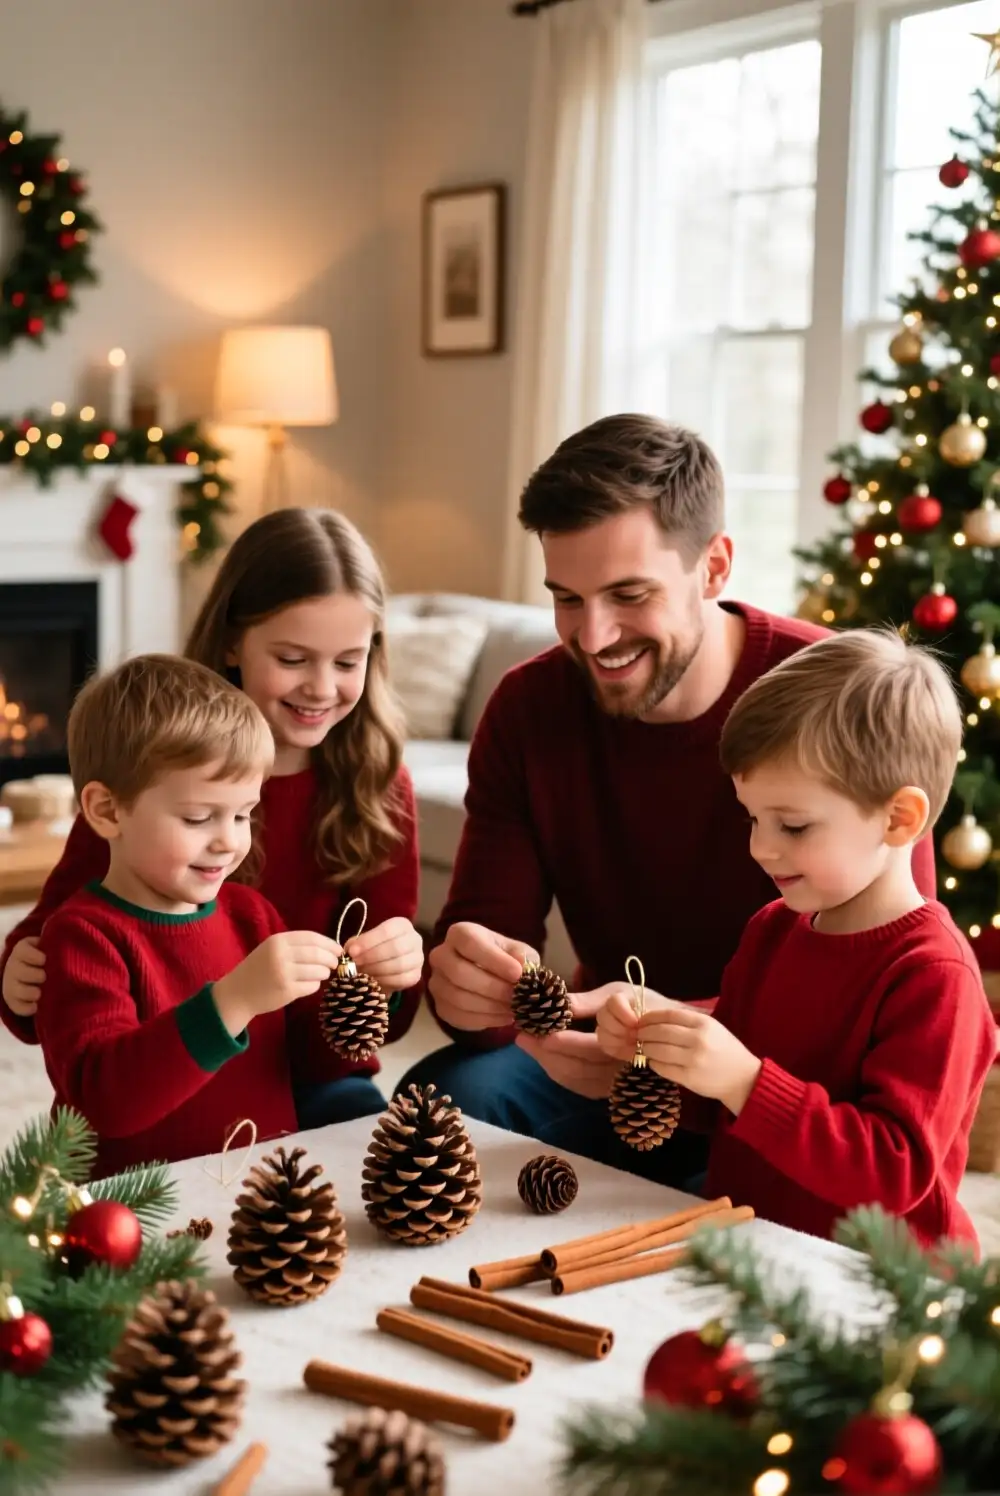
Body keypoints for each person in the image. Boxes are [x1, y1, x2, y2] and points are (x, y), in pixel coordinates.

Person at [400, 415, 936, 1183]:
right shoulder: (528, 709)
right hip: (609, 1060)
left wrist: (672, 1043)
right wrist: (469, 989)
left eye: (629, 594)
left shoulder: (841, 702)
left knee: (723, 1206)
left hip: (781, 1087)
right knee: (442, 1102)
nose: (592, 636)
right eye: (567, 598)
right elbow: (483, 987)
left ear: (714, 567)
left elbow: (888, 969)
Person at [2, 508, 423, 1129]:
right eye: (292, 658)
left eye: (347, 661)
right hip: (159, 1075)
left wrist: (391, 978)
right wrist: (19, 973)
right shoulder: (151, 773)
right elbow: (61, 936)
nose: (320, 687)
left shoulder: (378, 786)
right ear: (231, 641)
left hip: (306, 1075)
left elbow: (365, 1025)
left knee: (378, 1145)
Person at [597, 628, 994, 1246]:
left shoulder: (935, 976)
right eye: (753, 818)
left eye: (794, 825)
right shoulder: (772, 930)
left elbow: (894, 1173)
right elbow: (722, 1110)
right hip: (753, 1246)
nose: (761, 847)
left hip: (871, 1279)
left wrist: (743, 1081)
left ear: (898, 819)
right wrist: (660, 1056)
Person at [35, 654, 346, 1177]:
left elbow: (315, 1058)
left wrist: (367, 988)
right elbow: (107, 1103)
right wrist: (232, 1001)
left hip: (261, 1198)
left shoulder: (253, 917)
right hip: (130, 1210)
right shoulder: (82, 938)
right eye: (199, 817)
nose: (229, 840)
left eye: (243, 814)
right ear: (107, 811)